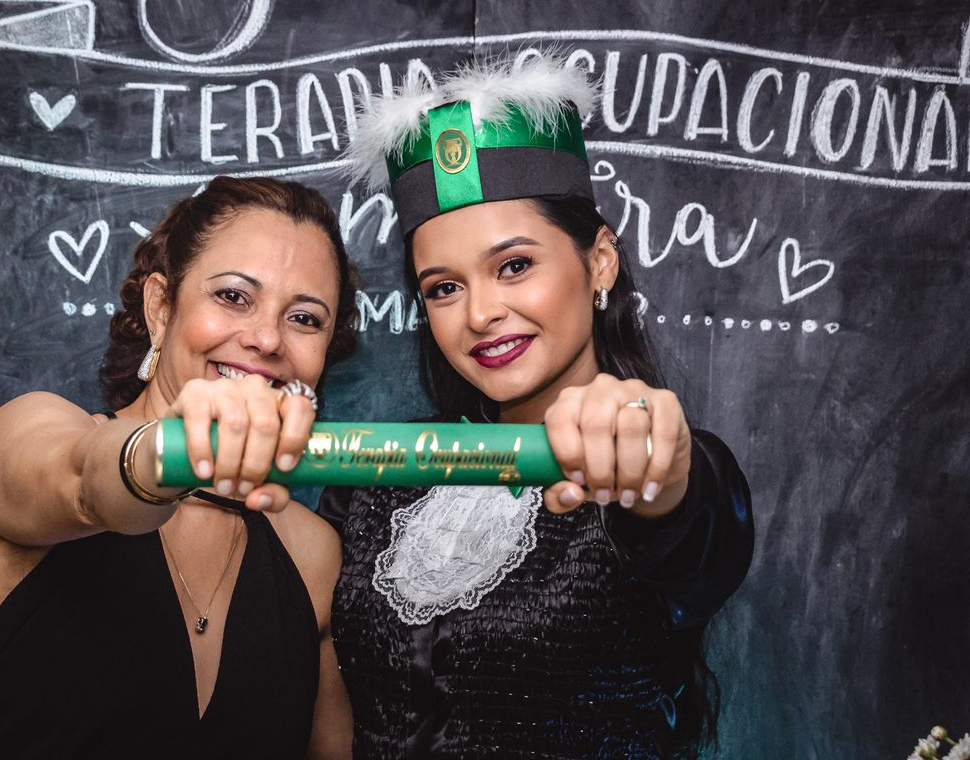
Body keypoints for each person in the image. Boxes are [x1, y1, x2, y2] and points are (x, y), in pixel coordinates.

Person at [318, 53, 755, 759]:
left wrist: (655, 454)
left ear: (599, 260)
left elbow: (685, 502)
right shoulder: (378, 475)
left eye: (514, 266)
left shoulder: (651, 462)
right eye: (444, 288)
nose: (480, 313)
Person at [0, 176, 358, 760]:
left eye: (305, 319)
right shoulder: (28, 432)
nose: (267, 338)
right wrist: (172, 451)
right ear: (161, 307)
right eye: (233, 296)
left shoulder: (312, 554)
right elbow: (88, 479)